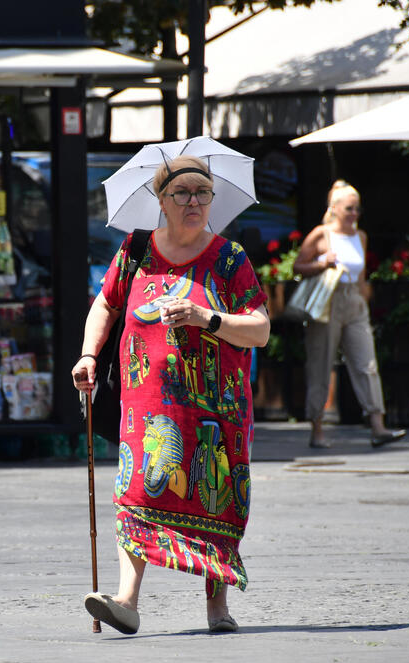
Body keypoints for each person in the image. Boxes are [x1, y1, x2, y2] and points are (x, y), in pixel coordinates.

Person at [71, 155, 270, 635]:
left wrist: (209, 319)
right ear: (160, 200)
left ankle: (217, 608)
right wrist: (88, 355)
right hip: (146, 407)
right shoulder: (136, 250)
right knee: (136, 492)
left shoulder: (228, 259)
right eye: (182, 193)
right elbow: (107, 303)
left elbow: (261, 329)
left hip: (215, 411)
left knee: (214, 496)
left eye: (203, 193)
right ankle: (126, 601)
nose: (194, 202)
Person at [292, 180, 406, 449]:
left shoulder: (361, 236)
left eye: (358, 209)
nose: (355, 214)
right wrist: (322, 262)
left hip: (354, 300)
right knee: (320, 364)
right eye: (349, 209)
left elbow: (363, 275)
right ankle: (317, 429)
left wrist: (364, 299)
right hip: (328, 301)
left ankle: (378, 426)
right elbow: (298, 266)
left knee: (367, 363)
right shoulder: (321, 234)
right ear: (334, 209)